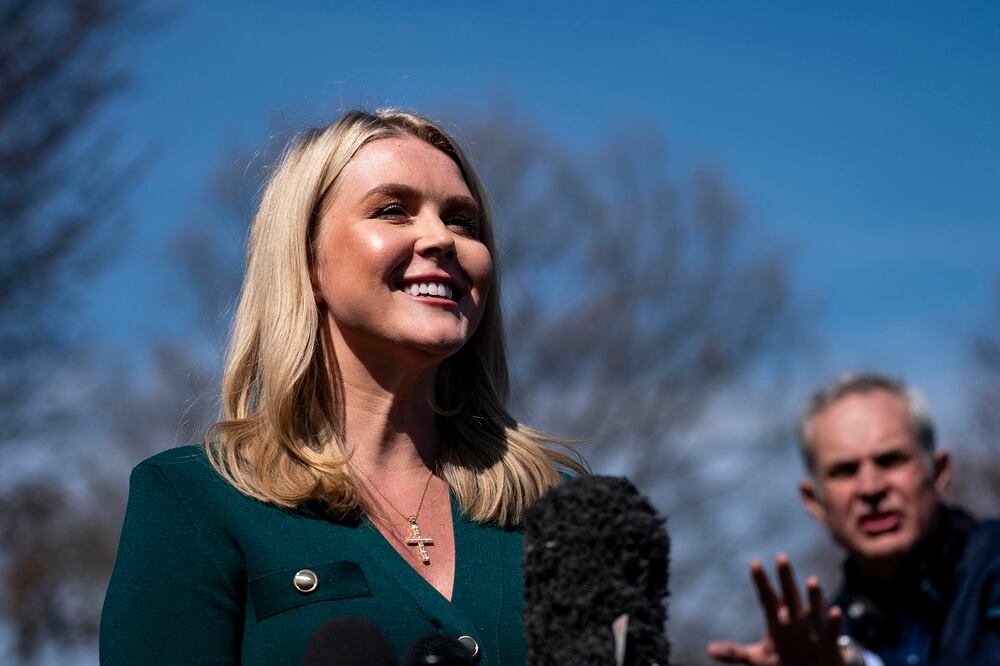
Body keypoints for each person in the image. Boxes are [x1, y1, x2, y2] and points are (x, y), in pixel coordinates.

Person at [100, 109, 585, 665]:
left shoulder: (555, 512)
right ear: (307, 260)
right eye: (392, 210)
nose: (441, 239)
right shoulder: (195, 501)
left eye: (463, 221)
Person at [707, 373, 1000, 666]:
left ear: (939, 472)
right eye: (845, 471)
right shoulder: (822, 644)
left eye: (890, 460)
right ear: (813, 501)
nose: (870, 488)